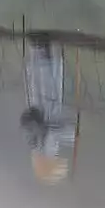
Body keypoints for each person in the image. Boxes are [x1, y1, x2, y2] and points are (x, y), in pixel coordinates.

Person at [20, 34, 77, 184]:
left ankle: (41, 46)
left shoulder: (46, 151)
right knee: (39, 80)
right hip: (40, 107)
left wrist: (73, 135)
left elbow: (52, 133)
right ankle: (38, 47)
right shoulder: (36, 148)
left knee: (46, 80)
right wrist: (71, 135)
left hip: (47, 109)